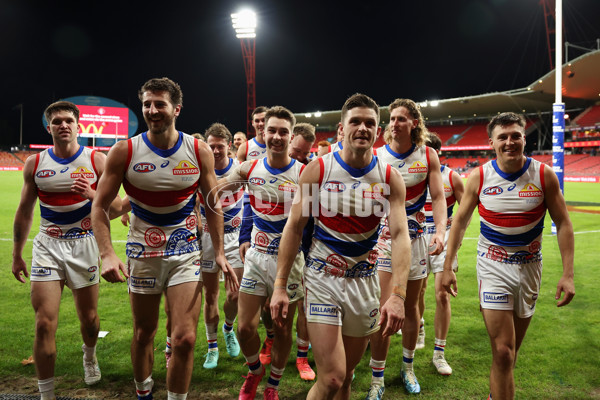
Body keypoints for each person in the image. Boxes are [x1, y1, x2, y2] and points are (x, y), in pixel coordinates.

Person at [91, 77, 238, 400]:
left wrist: (221, 252)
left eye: (160, 104)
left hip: (186, 251)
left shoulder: (197, 149)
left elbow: (212, 204)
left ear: (176, 109)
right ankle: (144, 393)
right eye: (147, 104)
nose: (152, 110)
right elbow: (100, 207)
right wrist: (106, 254)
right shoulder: (124, 150)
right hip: (142, 253)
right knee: (144, 333)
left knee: (184, 338)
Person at [270, 93, 410, 400]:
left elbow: (400, 236)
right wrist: (281, 285)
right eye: (355, 122)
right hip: (323, 278)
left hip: (365, 282)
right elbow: (294, 227)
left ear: (378, 129)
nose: (362, 128)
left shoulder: (390, 177)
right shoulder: (318, 171)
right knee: (331, 378)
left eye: (369, 123)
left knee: (346, 376)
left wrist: (398, 295)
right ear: (341, 130)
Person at [441, 112, 575, 400]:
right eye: (503, 137)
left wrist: (568, 274)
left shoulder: (543, 175)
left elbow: (563, 223)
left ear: (524, 138)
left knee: (510, 355)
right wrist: (448, 264)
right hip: (493, 266)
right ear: (492, 142)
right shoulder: (480, 176)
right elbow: (461, 221)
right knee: (503, 352)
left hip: (529, 268)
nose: (510, 142)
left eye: (516, 135)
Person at [12, 101, 119, 399]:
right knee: (44, 322)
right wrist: (16, 253)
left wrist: (93, 194)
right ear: (49, 127)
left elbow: (118, 207)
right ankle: (47, 394)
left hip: (84, 243)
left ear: (78, 125)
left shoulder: (96, 160)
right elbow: (24, 211)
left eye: (68, 121)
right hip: (47, 244)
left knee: (89, 318)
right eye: (56, 121)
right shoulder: (35, 163)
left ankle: (89, 355)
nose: (63, 125)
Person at [219, 106, 306, 400]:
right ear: (263, 132)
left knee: (282, 329)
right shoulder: (248, 169)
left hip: (290, 263)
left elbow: (315, 221)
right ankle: (255, 371)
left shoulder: (304, 173)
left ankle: (273, 385)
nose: (277, 137)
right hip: (256, 257)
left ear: (291, 137)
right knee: (245, 327)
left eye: (283, 132)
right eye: (272, 130)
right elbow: (216, 190)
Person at [370, 98, 447, 396]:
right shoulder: (376, 156)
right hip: (383, 242)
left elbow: (439, 198)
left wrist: (439, 232)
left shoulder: (428, 155)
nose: (395, 123)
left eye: (401, 118)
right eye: (392, 118)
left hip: (415, 242)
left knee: (412, 308)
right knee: (381, 309)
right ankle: (377, 377)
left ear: (415, 123)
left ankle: (408, 367)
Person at [417, 131, 465, 376]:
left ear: (436, 153)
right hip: (415, 239)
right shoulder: (411, 176)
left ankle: (439, 353)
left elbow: (465, 213)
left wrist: (452, 241)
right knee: (417, 294)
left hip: (442, 241)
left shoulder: (452, 177)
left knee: (442, 296)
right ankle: (420, 326)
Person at [198, 123, 245, 369]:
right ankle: (212, 346)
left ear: (229, 145)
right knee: (211, 296)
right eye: (211, 146)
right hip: (207, 238)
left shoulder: (240, 169)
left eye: (220, 146)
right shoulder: (200, 169)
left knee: (235, 294)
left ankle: (228, 328)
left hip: (235, 237)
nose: (215, 151)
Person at [288, 122, 317, 381]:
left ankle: (302, 357)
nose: (299, 157)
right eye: (296, 151)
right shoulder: (264, 166)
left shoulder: (310, 170)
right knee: (270, 305)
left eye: (304, 153)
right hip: (264, 247)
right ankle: (272, 342)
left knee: (303, 305)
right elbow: (251, 207)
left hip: (302, 249)